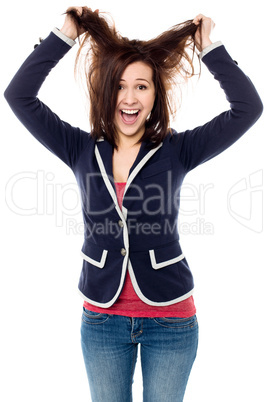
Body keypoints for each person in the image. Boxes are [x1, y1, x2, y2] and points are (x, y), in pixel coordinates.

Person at [4, 6, 263, 402]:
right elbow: (18, 95)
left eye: (142, 86)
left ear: (155, 94)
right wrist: (64, 36)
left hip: (171, 319)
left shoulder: (178, 150)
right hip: (103, 319)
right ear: (107, 91)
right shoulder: (79, 148)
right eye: (120, 85)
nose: (129, 97)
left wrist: (210, 48)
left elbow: (248, 108)